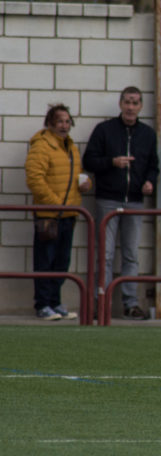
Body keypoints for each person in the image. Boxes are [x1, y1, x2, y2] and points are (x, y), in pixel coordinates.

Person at [82, 86, 159, 321]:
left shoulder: (147, 133)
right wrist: (112, 162)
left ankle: (130, 304)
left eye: (135, 103)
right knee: (104, 255)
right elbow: (89, 161)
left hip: (135, 202)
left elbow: (154, 166)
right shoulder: (104, 130)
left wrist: (149, 182)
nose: (131, 107)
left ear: (141, 107)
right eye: (127, 102)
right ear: (120, 104)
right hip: (107, 199)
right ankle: (99, 302)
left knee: (131, 254)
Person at [25, 104, 93, 320]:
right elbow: (35, 179)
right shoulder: (42, 145)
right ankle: (42, 304)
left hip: (69, 214)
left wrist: (86, 185)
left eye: (67, 121)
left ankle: (55, 301)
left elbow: (76, 175)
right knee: (45, 260)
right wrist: (55, 204)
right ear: (50, 123)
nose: (64, 125)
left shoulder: (71, 147)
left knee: (62, 262)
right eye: (60, 121)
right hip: (49, 215)